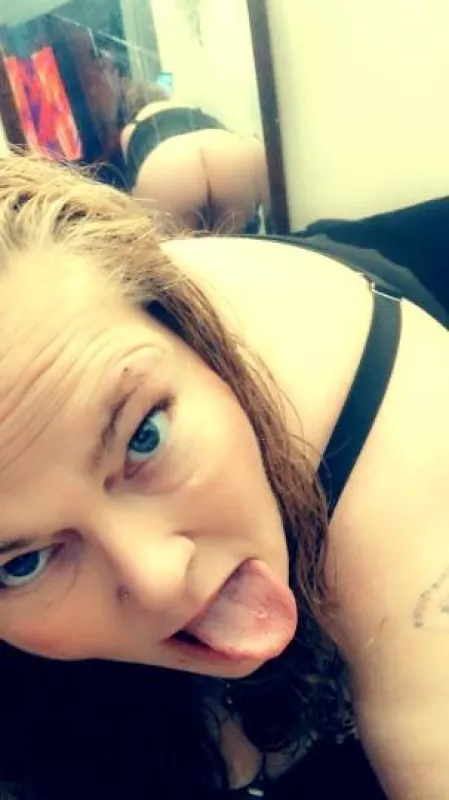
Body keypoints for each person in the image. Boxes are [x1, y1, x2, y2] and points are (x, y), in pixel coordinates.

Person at [0, 151, 448, 800]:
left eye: (144, 437)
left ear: (194, 335)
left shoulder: (398, 439)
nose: (159, 579)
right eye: (21, 563)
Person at [118, 81, 270, 234]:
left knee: (177, 246)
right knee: (240, 241)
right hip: (226, 149)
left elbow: (133, 184)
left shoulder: (131, 127)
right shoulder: (187, 106)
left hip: (168, 164)